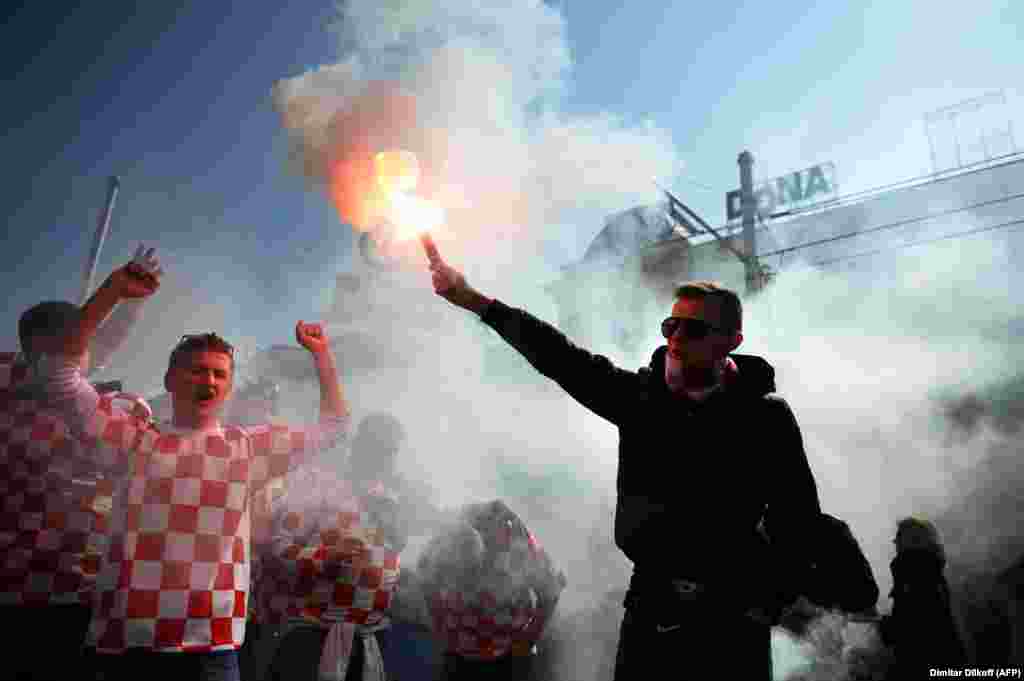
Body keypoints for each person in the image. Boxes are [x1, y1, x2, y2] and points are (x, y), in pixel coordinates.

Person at [427, 245, 821, 680]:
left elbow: (799, 520)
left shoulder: (765, 417)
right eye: (671, 325)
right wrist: (473, 300)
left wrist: (769, 603)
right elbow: (559, 356)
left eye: (693, 329)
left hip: (732, 621)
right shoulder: (641, 401)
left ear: (731, 341)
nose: (675, 338)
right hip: (650, 609)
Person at [37, 254, 351, 681]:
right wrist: (111, 293)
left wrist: (321, 355)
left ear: (229, 387)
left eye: (220, 374)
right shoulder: (135, 439)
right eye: (197, 371)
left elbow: (333, 428)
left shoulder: (249, 447)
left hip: (211, 650)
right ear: (170, 380)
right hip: (125, 646)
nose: (208, 381)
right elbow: (59, 373)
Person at [0, 246, 160, 681]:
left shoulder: (85, 399)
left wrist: (129, 304)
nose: (87, 351)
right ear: (36, 348)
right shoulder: (31, 387)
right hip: (34, 591)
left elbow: (93, 349)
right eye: (76, 339)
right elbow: (67, 362)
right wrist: (114, 295)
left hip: (91, 592)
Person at [255, 446, 407, 681]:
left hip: (368, 638)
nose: (390, 460)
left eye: (393, 451)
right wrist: (326, 556)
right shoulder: (315, 490)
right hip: (312, 638)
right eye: (383, 448)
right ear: (360, 448)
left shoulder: (388, 500)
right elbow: (278, 549)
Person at [416, 499, 566, 681]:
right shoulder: (448, 540)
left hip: (509, 657)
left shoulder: (519, 546)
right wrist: (439, 621)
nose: (467, 583)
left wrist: (528, 638)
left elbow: (551, 591)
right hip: (458, 655)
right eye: (460, 573)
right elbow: (425, 574)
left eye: (471, 571)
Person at [879, 517, 967, 679]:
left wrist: (884, 626)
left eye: (899, 536)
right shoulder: (926, 570)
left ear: (913, 540)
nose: (894, 541)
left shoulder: (915, 574)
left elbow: (914, 628)